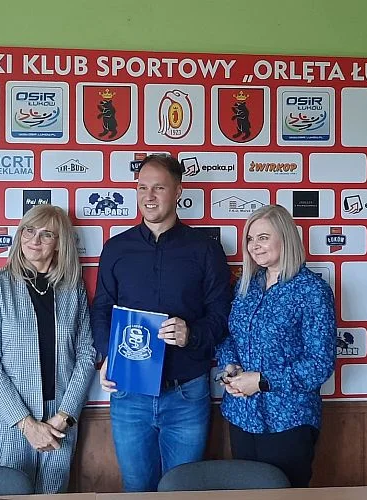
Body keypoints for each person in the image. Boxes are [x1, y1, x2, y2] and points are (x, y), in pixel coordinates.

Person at [92, 154, 232, 492]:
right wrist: (107, 353)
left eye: (159, 188)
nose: (149, 196)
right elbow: (101, 310)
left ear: (178, 191)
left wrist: (190, 334)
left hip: (187, 393)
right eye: (142, 187)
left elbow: (221, 316)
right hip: (129, 392)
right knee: (136, 488)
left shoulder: (206, 250)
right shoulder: (116, 248)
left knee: (182, 491)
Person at [0, 204, 95, 494]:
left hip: (60, 416)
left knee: (53, 494)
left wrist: (65, 415)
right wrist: (26, 424)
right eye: (29, 230)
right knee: (12, 494)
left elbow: (87, 353)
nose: (34, 240)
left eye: (46, 234)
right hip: (11, 416)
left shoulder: (72, 287)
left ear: (59, 243)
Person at [216, 204, 336, 487]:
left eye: (263, 237)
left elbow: (320, 364)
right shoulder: (245, 286)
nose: (254, 246)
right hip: (242, 414)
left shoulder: (311, 290)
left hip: (288, 419)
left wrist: (262, 381)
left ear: (286, 238)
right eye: (250, 238)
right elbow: (230, 336)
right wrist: (230, 366)